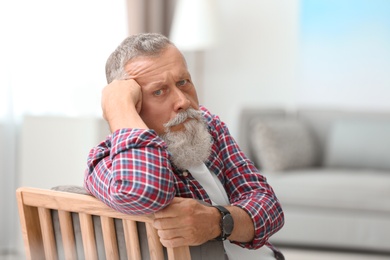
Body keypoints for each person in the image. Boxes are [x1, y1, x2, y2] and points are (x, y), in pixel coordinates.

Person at [84, 33, 284, 259]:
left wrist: (217, 221)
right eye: (158, 91)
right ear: (133, 104)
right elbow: (144, 193)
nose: (183, 101)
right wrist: (118, 107)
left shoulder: (209, 125)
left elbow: (270, 207)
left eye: (183, 82)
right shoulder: (105, 162)